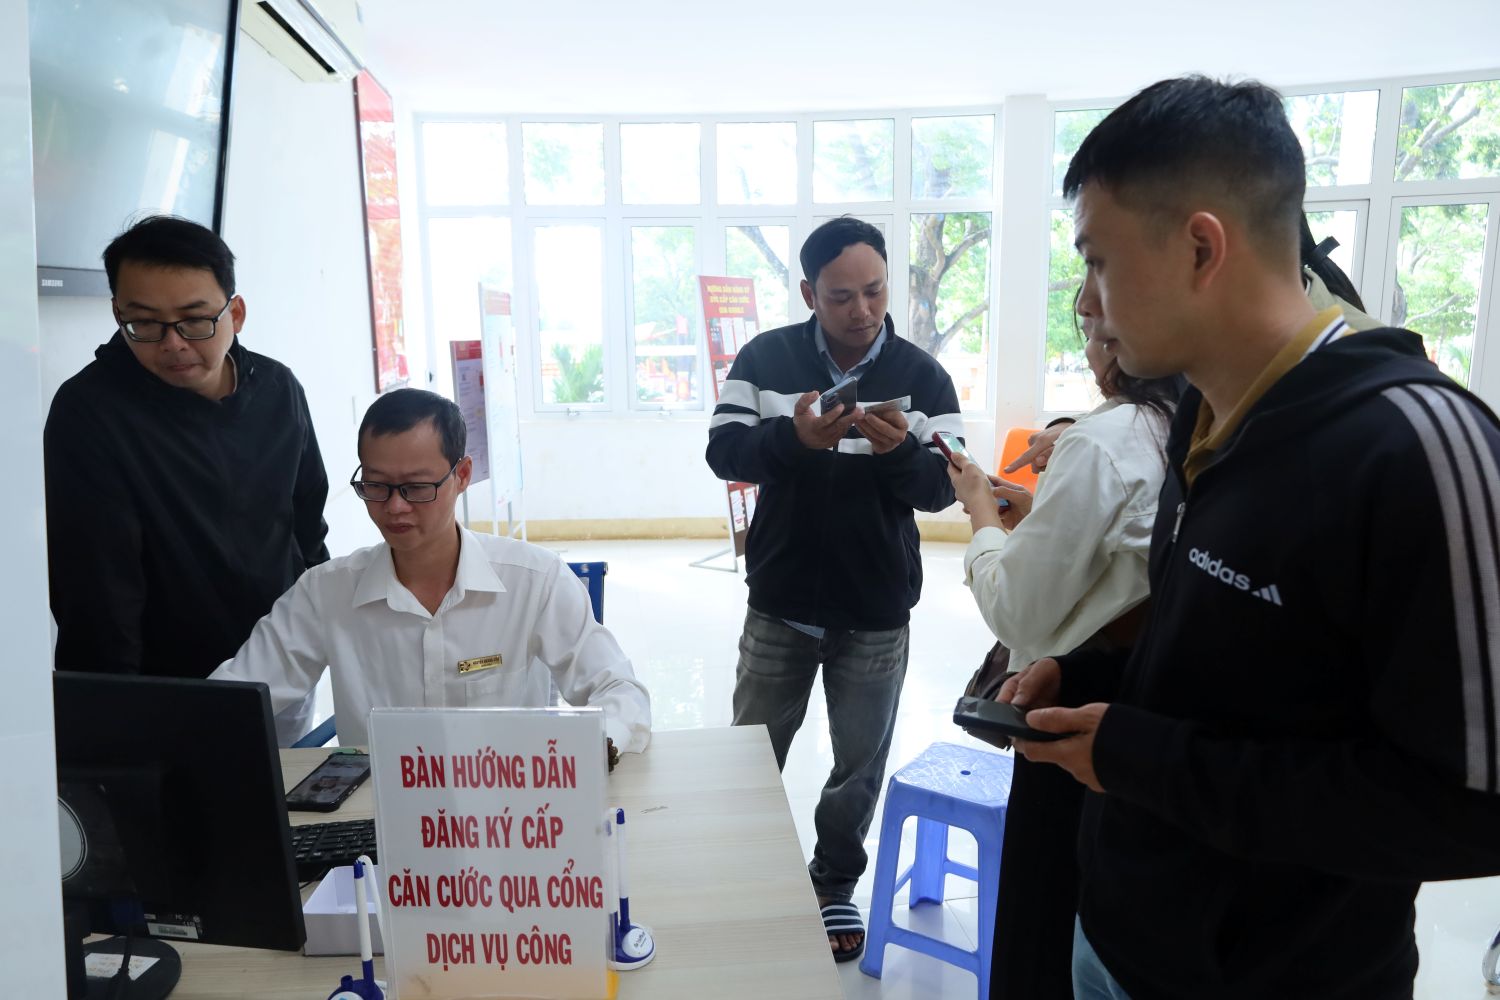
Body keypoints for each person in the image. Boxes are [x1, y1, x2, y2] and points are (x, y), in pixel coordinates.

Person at [1000, 75, 1500, 999]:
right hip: (1117, 936)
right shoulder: (1202, 417)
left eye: (1099, 263)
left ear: (1201, 247)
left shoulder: (1415, 449)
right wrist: (1094, 678)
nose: (1090, 304)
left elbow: (1471, 807)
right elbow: (1245, 663)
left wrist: (1148, 760)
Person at [704, 216, 960, 962]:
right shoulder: (766, 358)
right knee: (751, 753)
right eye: (842, 296)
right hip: (780, 601)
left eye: (875, 292)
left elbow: (945, 486)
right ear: (809, 292)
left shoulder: (922, 376)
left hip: (875, 609)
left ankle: (833, 884)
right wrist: (792, 439)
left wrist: (899, 455)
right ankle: (743, 875)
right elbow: (723, 451)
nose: (862, 310)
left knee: (858, 766)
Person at [212, 389, 651, 754]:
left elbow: (619, 691)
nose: (395, 507)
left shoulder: (534, 581)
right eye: (376, 486)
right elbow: (232, 698)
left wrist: (592, 749)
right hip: (381, 814)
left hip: (507, 810)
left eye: (416, 487)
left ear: (462, 475)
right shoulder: (326, 593)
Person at [949, 308, 1180, 999]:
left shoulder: (1102, 442)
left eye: (1092, 320)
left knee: (1044, 924)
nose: (1089, 344)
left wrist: (981, 513)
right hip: (1142, 715)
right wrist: (1040, 517)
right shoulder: (1194, 426)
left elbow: (1017, 608)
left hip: (1067, 713)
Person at [45, 217, 329, 710]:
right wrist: (110, 712)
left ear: (235, 313)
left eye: (195, 320)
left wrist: (323, 629)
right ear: (117, 312)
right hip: (168, 688)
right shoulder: (90, 412)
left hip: (283, 664)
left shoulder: (277, 388)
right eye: (145, 323)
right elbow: (96, 588)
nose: (172, 343)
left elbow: (307, 525)